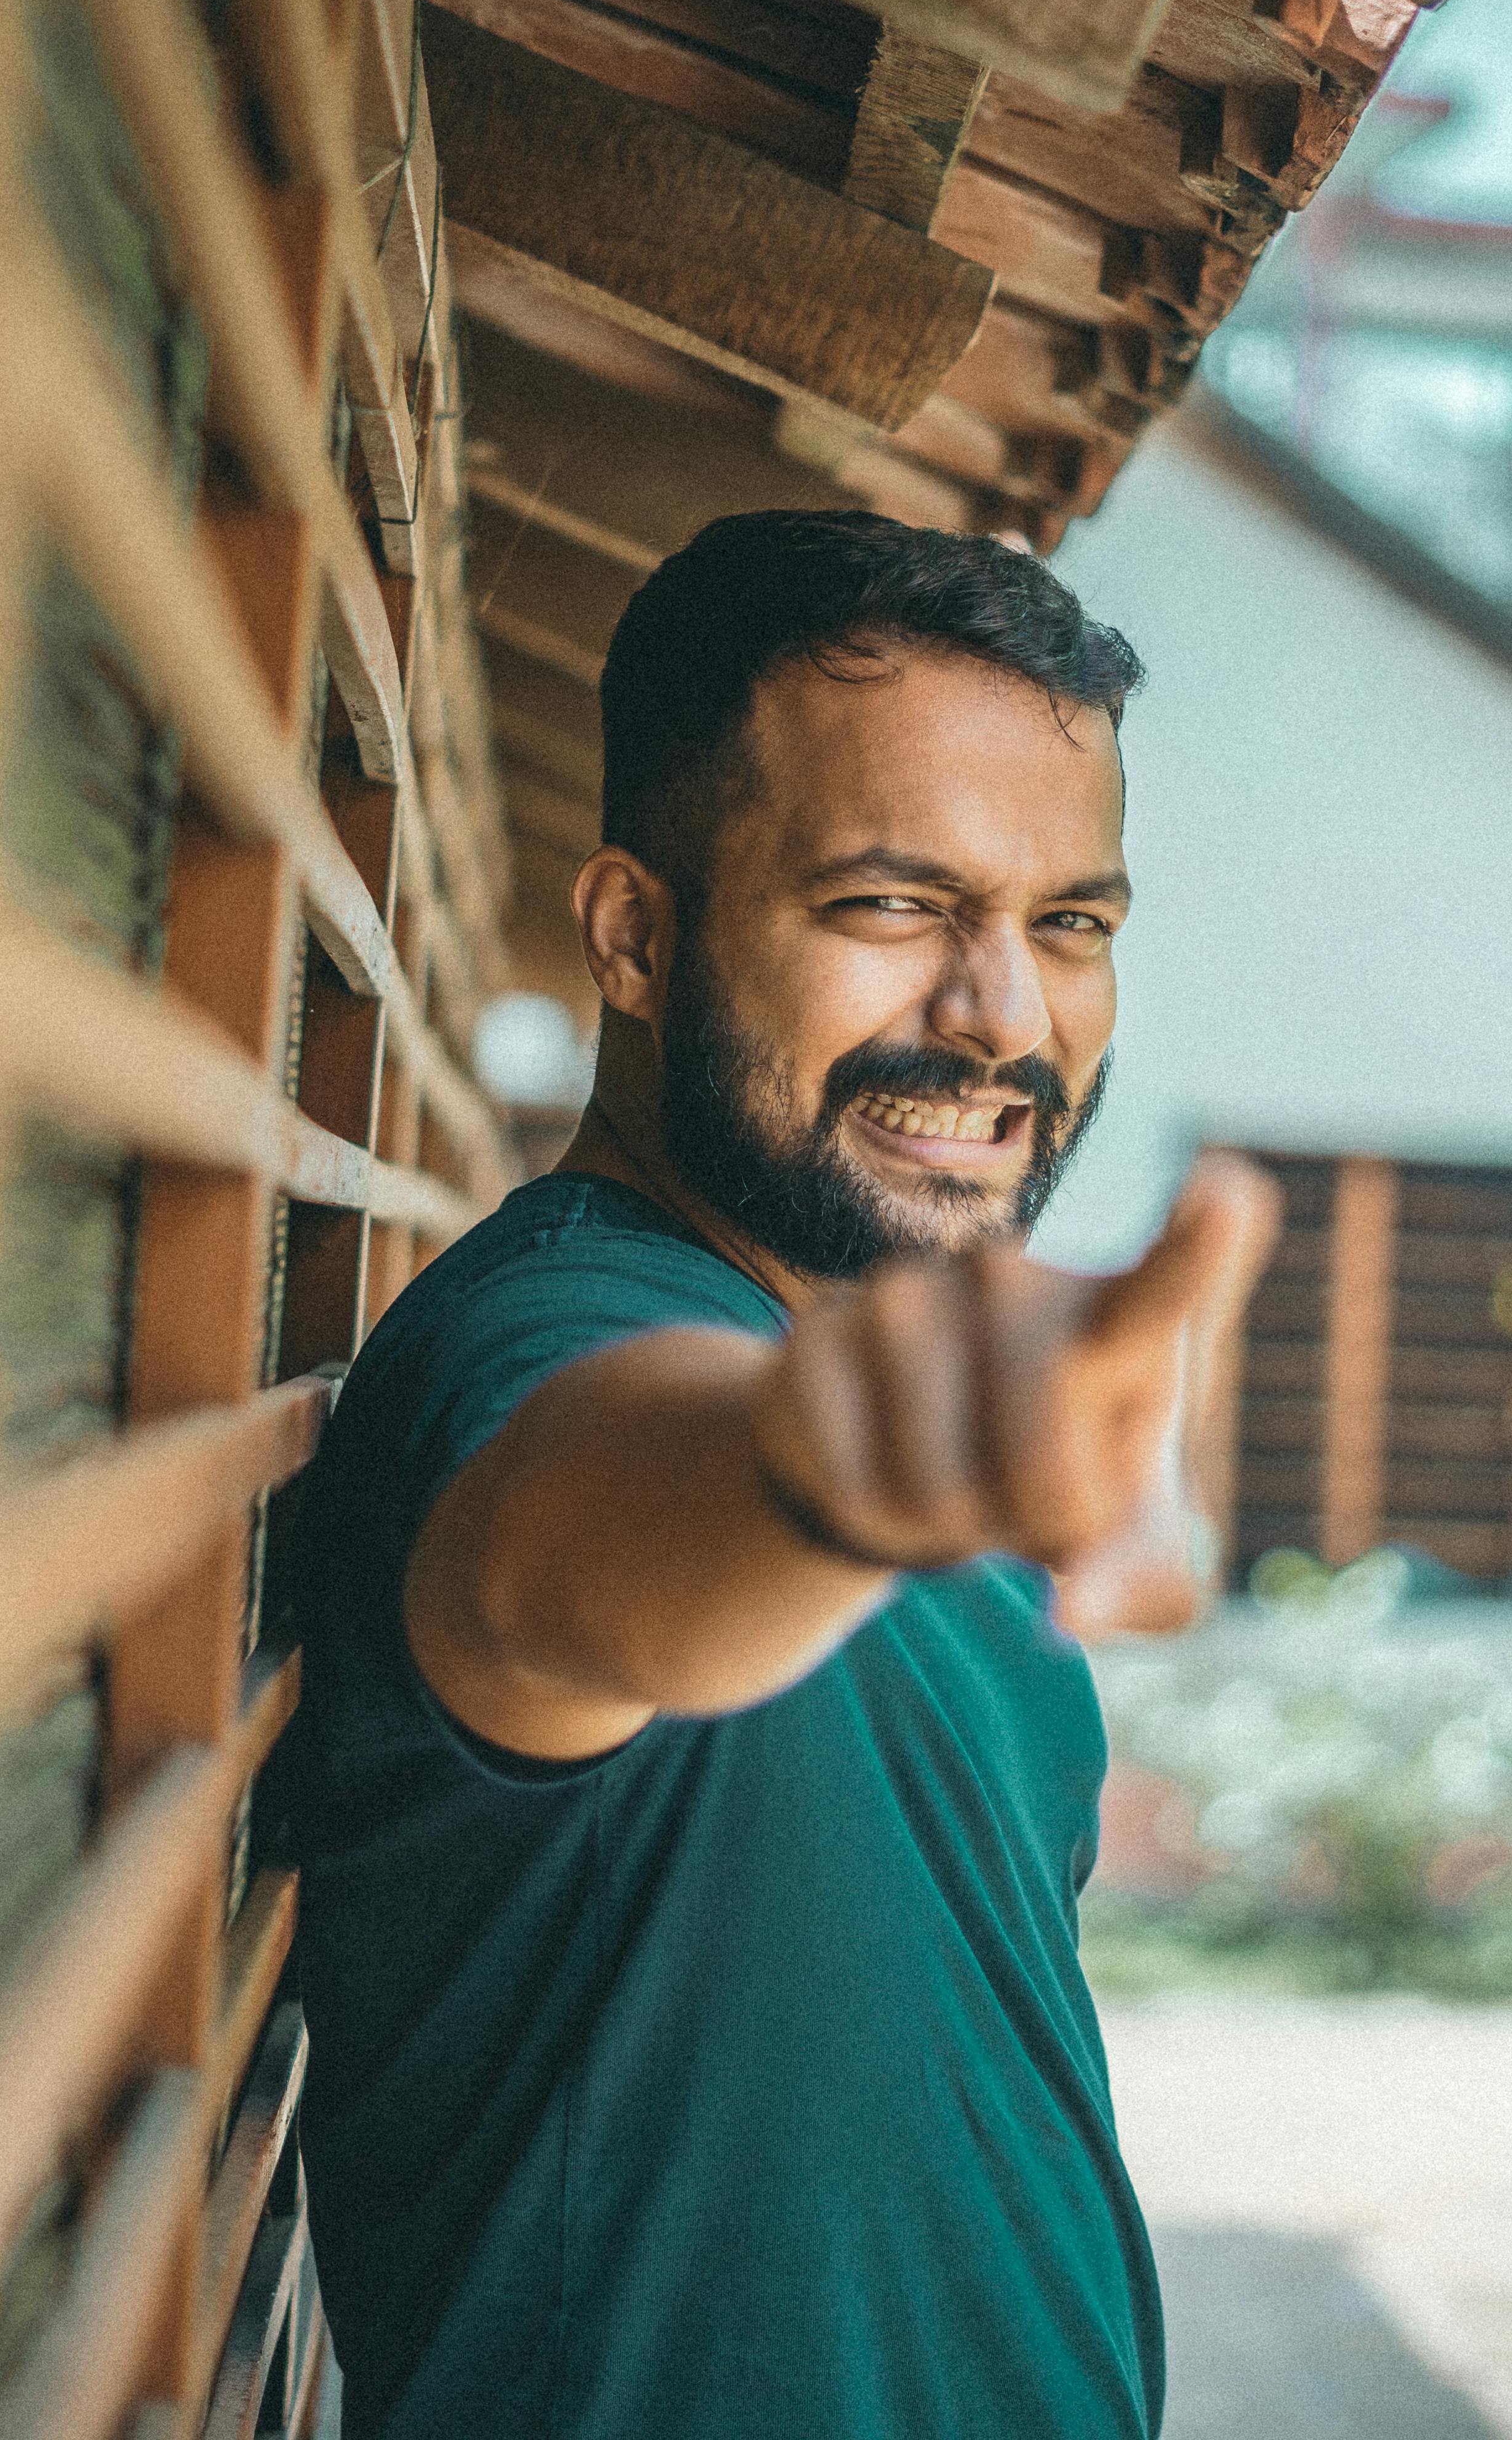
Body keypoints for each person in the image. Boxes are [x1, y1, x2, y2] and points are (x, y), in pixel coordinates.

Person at [256, 508, 1275, 2438]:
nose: (1006, 1017)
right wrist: (847, 1469)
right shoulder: (545, 1352)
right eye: (895, 907)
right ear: (636, 936)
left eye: (1070, 925)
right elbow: (578, 1541)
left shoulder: (837, 1332)